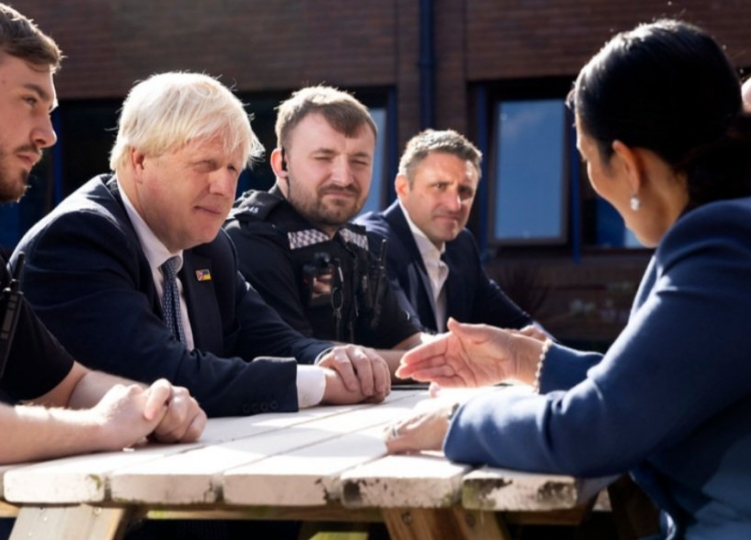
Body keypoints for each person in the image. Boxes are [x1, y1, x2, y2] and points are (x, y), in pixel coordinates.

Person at [385, 19, 751, 540]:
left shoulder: (721, 245)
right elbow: (657, 383)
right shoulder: (730, 233)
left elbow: (593, 430)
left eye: (584, 158)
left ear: (627, 161)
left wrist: (459, 421)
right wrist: (522, 359)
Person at [0, 1, 204, 537]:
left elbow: (67, 385)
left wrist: (147, 404)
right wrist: (100, 427)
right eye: (28, 101)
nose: (48, 134)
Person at [11, 73, 391, 421]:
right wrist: (319, 384)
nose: (224, 188)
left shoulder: (207, 244)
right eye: (204, 165)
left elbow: (269, 335)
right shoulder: (78, 239)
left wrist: (330, 359)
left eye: (231, 168)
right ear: (139, 160)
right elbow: (166, 373)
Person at [224, 86, 425, 368]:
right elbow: (302, 357)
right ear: (282, 164)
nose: (343, 178)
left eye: (359, 161)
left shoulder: (356, 243)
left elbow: (406, 342)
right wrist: (428, 363)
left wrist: (461, 352)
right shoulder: (248, 239)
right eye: (323, 158)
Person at [356, 129, 534, 333]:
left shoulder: (462, 244)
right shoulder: (373, 242)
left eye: (465, 191)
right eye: (440, 186)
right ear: (403, 187)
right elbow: (409, 340)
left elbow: (518, 322)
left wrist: (554, 354)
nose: (455, 205)